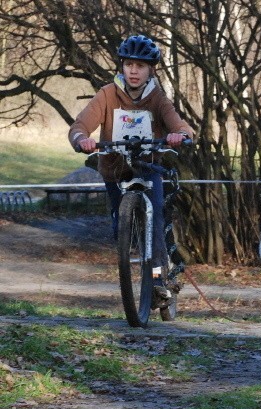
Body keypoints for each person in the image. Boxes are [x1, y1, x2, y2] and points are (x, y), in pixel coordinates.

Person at [69, 34, 195, 303]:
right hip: (115, 169)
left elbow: (180, 124)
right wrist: (83, 140)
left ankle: (159, 279)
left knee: (156, 222)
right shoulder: (107, 94)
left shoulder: (157, 98)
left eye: (140, 66)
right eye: (129, 65)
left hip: (148, 168)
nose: (134, 71)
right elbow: (80, 126)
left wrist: (179, 135)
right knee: (120, 226)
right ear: (122, 66)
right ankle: (129, 263)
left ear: (151, 69)